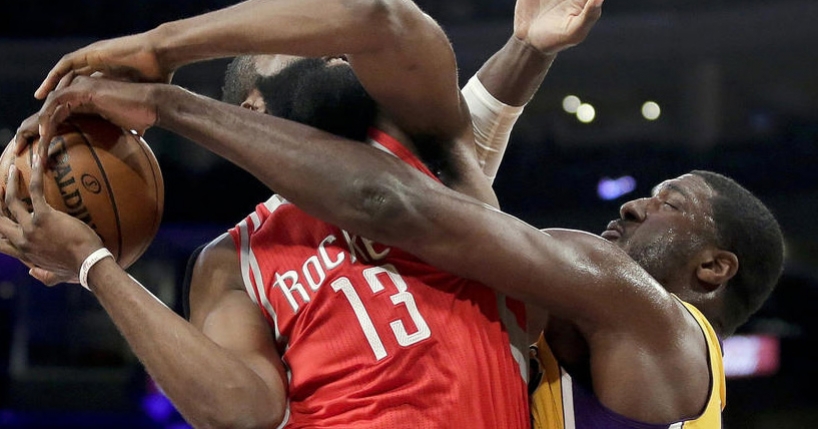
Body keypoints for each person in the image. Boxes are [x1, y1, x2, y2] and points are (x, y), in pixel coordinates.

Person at [4, 0, 604, 428]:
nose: (334, 45)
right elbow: (243, 409)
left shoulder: (428, 151)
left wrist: (161, 47)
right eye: (303, 46)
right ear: (252, 106)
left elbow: (379, 17)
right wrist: (96, 266)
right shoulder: (232, 259)